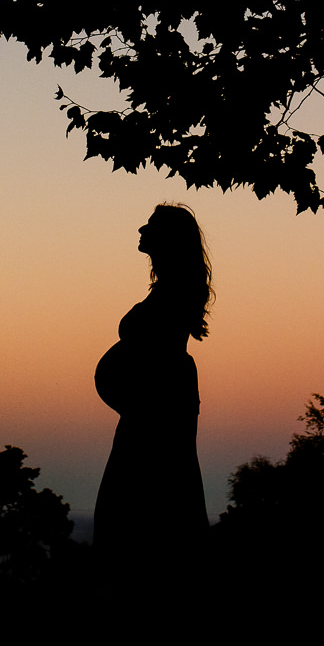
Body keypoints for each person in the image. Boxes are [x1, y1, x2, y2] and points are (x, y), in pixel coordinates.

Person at [92, 204, 212, 564]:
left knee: (146, 500)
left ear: (169, 239)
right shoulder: (168, 288)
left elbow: (157, 356)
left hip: (156, 414)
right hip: (146, 411)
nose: (141, 230)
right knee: (136, 501)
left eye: (151, 227)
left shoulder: (174, 292)